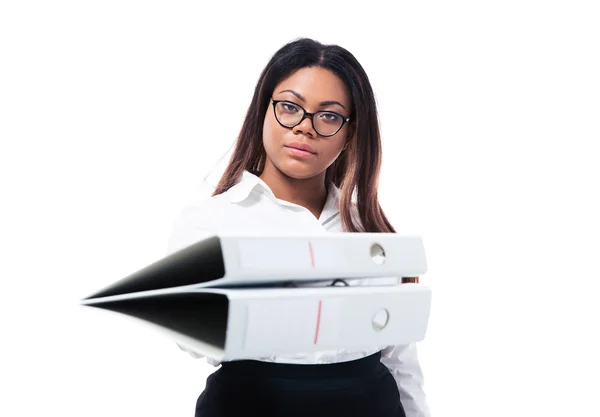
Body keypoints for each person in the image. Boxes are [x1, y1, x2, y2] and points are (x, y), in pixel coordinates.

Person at [167, 38, 430, 417]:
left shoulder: (369, 230)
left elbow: (401, 359)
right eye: (290, 107)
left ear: (350, 132)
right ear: (263, 112)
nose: (305, 128)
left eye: (329, 116)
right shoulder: (210, 221)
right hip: (252, 404)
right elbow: (190, 337)